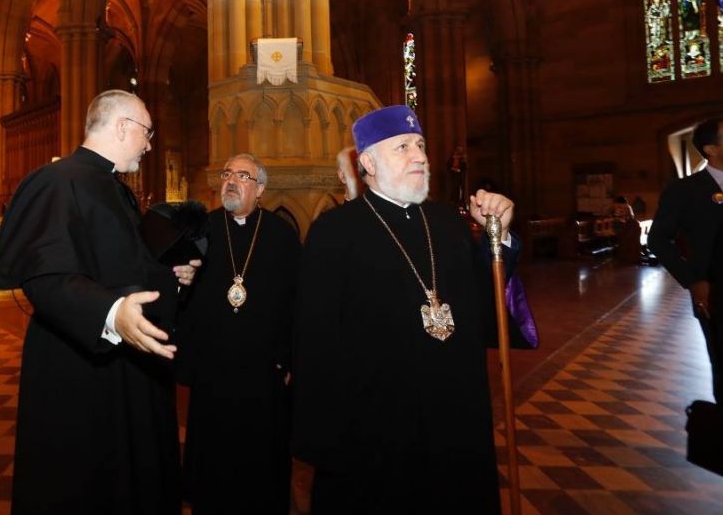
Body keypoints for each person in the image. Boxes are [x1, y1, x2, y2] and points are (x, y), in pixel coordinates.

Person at [292, 105, 525, 514]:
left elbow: (488, 311)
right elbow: (315, 344)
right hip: (375, 432)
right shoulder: (334, 233)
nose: (420, 156)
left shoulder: (449, 224)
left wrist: (499, 240)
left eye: (420, 146)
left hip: (456, 420)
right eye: (403, 147)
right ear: (368, 163)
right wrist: (328, 439)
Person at [0, 89, 200, 514]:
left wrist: (171, 276)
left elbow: (124, 265)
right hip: (78, 365)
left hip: (128, 363)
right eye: (147, 133)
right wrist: (112, 313)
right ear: (122, 127)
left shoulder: (117, 189)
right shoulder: (56, 181)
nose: (149, 144)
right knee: (87, 482)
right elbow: (45, 277)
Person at [176, 153, 301, 514]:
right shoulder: (202, 231)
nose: (230, 180)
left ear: (260, 188)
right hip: (213, 372)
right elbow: (182, 297)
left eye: (242, 176)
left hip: (264, 375)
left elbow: (298, 304)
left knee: (262, 467)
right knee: (213, 467)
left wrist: (291, 359)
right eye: (227, 174)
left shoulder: (282, 237)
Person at [649, 117, 723, 401]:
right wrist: (694, 282)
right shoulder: (685, 190)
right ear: (711, 149)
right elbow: (658, 239)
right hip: (715, 293)